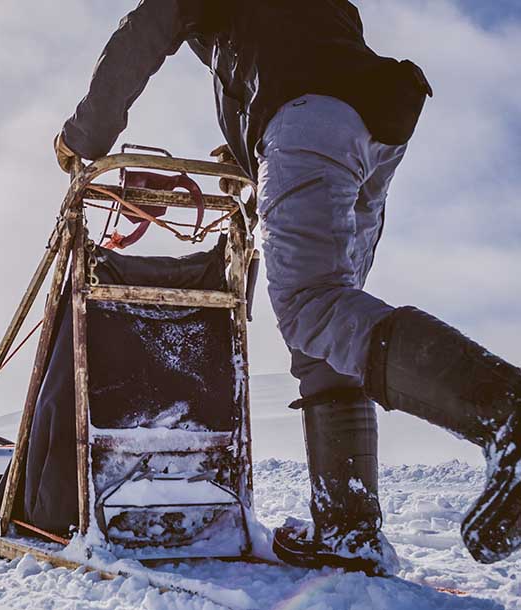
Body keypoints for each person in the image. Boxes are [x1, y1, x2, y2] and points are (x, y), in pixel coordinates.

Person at [53, 0, 520, 574]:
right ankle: (349, 532)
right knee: (332, 324)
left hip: (310, 117)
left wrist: (84, 137)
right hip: (376, 123)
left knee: (313, 305)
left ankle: (507, 412)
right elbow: (306, 46)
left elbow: (148, 27)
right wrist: (257, 147)